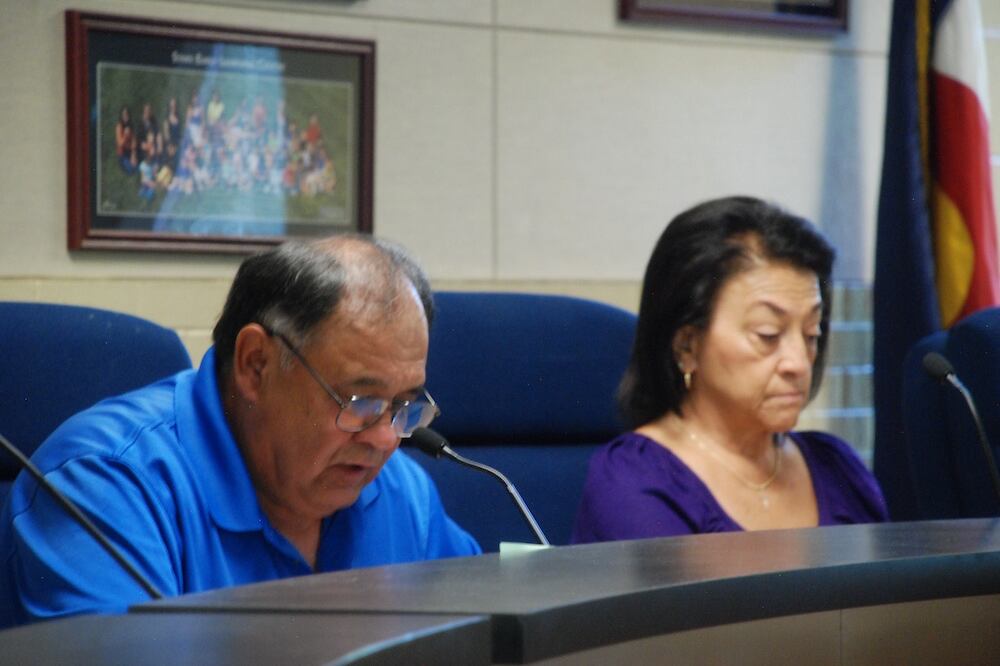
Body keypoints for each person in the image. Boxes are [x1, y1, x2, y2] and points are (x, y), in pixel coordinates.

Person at [0, 235, 481, 627]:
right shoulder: (103, 485)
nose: (384, 440)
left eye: (403, 404)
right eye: (361, 402)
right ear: (256, 365)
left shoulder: (401, 492)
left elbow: (489, 632)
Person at [571, 196, 887, 543]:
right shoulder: (636, 481)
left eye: (812, 334)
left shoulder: (838, 469)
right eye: (767, 335)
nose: (798, 363)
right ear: (687, 346)